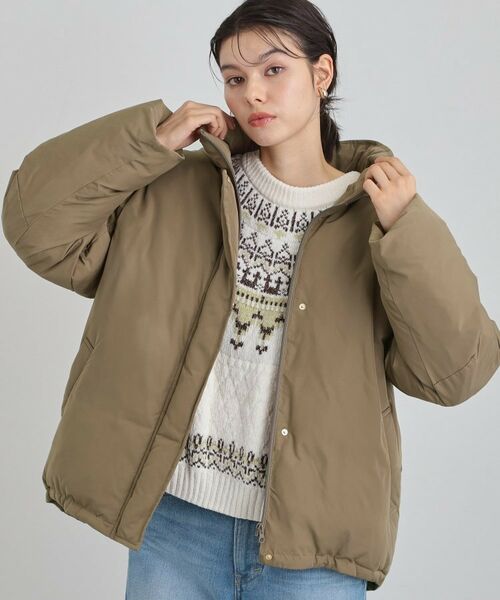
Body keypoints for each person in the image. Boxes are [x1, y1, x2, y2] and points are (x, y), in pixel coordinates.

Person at [2, 0, 498, 598]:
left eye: (273, 70)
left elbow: (453, 374)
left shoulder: (377, 219)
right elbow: (36, 226)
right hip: (174, 523)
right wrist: (150, 141)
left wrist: (408, 230)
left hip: (314, 547)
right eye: (234, 78)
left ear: (321, 73)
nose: (252, 93)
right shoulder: (177, 189)